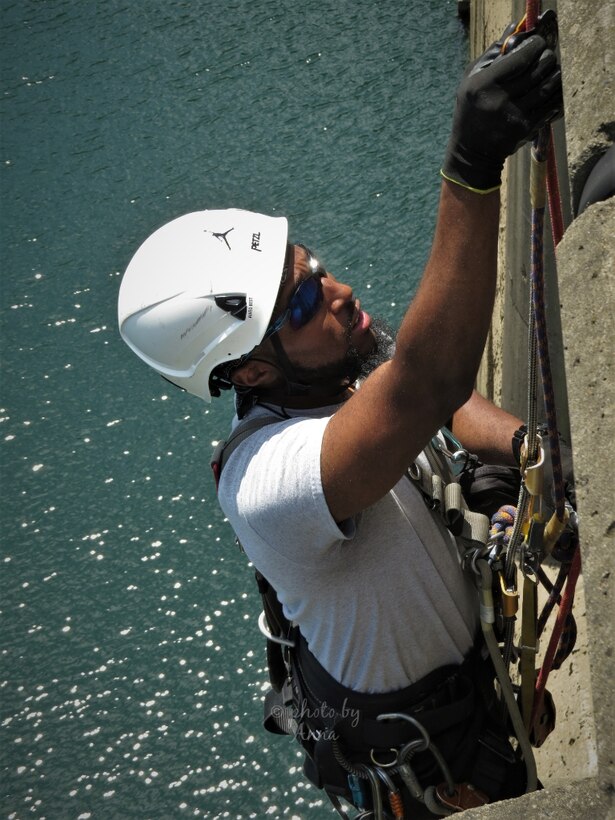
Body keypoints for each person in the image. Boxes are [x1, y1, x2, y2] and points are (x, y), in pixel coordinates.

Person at [118, 22, 563, 818]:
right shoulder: (265, 485)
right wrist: (470, 166)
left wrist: (528, 449)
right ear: (251, 371)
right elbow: (424, 386)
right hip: (442, 786)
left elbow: (428, 389)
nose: (338, 292)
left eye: (313, 266)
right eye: (300, 303)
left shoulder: (331, 360)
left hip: (481, 710)